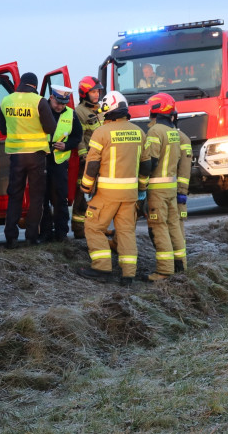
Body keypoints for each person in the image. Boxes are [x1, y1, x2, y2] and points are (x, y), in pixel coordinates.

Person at [78, 90, 153, 286]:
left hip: (107, 194)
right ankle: (128, 274)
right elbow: (146, 165)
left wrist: (86, 188)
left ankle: (102, 267)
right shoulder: (139, 132)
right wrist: (142, 189)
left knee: (93, 227)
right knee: (126, 232)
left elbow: (92, 164)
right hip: (130, 194)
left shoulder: (101, 132)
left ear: (107, 110)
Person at [0, 72, 56, 248]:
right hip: (36, 155)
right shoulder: (39, 101)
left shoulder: (6, 101)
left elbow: (2, 129)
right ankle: (32, 236)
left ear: (21, 83)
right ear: (35, 86)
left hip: (16, 155)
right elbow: (50, 127)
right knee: (36, 197)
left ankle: (11, 238)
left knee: (14, 195)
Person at [141, 93, 186, 281]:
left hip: (157, 189)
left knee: (159, 227)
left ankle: (164, 271)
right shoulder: (174, 132)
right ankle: (181, 265)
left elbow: (150, 161)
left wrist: (142, 183)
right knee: (174, 225)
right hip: (171, 188)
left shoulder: (155, 131)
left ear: (155, 109)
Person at [40, 83, 82, 242]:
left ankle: (61, 233)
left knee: (60, 199)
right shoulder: (41, 110)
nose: (60, 106)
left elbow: (77, 136)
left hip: (59, 162)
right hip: (42, 160)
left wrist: (67, 145)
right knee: (42, 199)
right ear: (51, 98)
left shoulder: (71, 114)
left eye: (64, 103)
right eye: (58, 103)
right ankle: (44, 233)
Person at [71, 76, 104, 239]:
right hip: (88, 160)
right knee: (81, 194)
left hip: (103, 159)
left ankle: (96, 226)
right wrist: (84, 155)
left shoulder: (101, 109)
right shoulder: (80, 112)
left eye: (97, 91)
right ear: (84, 93)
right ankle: (78, 228)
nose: (96, 94)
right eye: (93, 91)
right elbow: (80, 136)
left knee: (100, 196)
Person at [174, 119, 192, 273]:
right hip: (170, 192)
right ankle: (178, 267)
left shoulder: (181, 138)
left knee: (177, 230)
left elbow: (184, 169)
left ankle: (181, 268)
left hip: (175, 194)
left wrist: (181, 191)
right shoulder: (180, 137)